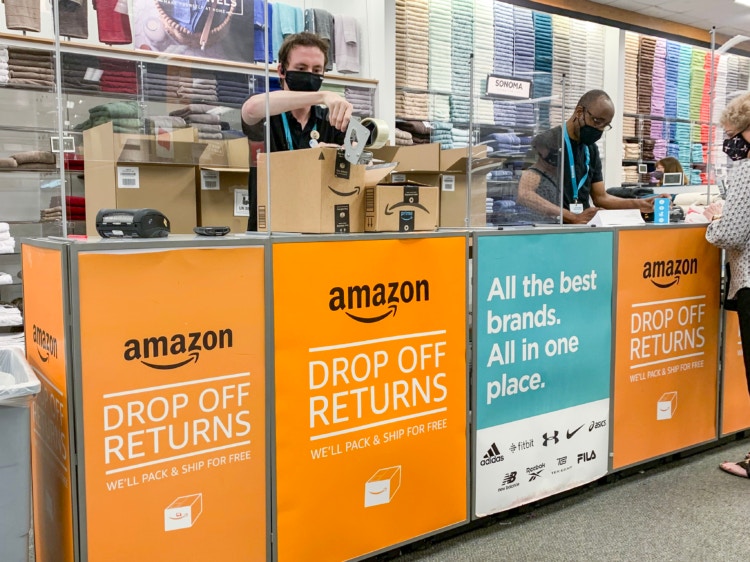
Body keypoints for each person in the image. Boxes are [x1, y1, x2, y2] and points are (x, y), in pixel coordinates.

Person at [241, 32, 354, 230]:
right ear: (281, 71)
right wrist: (321, 96)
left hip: (319, 230)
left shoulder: (331, 120)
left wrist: (337, 154)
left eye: (317, 69)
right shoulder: (268, 116)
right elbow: (250, 109)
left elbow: (362, 159)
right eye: (301, 68)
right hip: (271, 231)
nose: (310, 75)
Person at [517, 89, 667, 224]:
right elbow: (525, 194)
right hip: (552, 229)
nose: (599, 129)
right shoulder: (547, 142)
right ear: (579, 112)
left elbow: (601, 198)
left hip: (583, 229)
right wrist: (571, 216)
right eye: (597, 121)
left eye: (605, 125)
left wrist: (641, 204)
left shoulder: (591, 149)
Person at [705, 91, 750, 479]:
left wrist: (712, 223)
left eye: (735, 132)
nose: (731, 140)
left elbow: (731, 234)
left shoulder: (747, 172)